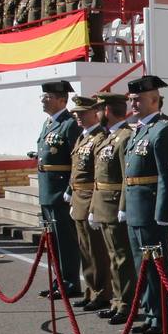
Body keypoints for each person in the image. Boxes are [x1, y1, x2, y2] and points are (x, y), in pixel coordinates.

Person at [120, 75, 168, 334]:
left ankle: (162, 317)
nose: (133, 103)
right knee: (140, 265)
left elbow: (167, 175)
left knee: (156, 268)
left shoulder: (163, 129)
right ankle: (150, 312)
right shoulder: (139, 129)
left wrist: (163, 212)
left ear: (154, 100)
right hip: (135, 208)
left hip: (151, 209)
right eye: (131, 99)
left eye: (139, 99)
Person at [89, 94, 137, 325]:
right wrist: (93, 207)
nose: (95, 114)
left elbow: (127, 177)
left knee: (121, 258)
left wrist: (124, 207)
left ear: (107, 110)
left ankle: (126, 303)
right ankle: (117, 301)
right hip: (103, 205)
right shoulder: (108, 137)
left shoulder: (125, 137)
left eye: (98, 109)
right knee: (113, 257)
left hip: (116, 204)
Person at [36, 81, 82, 299]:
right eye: (43, 97)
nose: (44, 100)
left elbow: (77, 159)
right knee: (52, 240)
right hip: (47, 189)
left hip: (60, 189)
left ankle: (70, 281)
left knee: (65, 241)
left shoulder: (69, 124)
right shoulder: (48, 123)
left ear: (62, 100)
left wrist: (71, 189)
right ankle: (59, 279)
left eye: (49, 97)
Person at [66, 95, 112, 313]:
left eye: (83, 113)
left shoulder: (99, 137)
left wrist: (94, 205)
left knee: (97, 250)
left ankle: (103, 292)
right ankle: (91, 290)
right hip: (78, 198)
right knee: (85, 249)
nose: (78, 117)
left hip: (90, 198)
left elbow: (97, 174)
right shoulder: (82, 137)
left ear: (95, 113)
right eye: (76, 113)